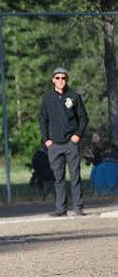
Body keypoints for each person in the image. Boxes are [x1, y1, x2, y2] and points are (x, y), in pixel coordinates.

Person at [39, 67, 89, 216]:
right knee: (58, 177)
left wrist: (78, 135)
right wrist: (46, 139)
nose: (61, 81)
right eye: (58, 78)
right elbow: (42, 120)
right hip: (54, 144)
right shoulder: (47, 99)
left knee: (75, 176)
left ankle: (78, 207)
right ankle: (61, 208)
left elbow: (83, 118)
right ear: (53, 80)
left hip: (71, 143)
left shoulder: (74, 96)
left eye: (64, 78)